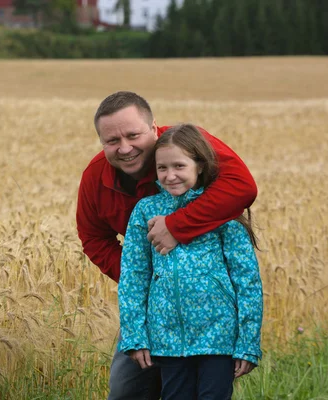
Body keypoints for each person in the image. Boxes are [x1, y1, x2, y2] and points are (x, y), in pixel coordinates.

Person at [76, 91, 258, 399]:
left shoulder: (186, 145)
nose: (124, 148)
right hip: (154, 310)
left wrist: (176, 226)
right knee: (126, 390)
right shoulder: (96, 178)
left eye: (133, 135)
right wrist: (150, 281)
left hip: (213, 318)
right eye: (111, 141)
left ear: (153, 128)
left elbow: (242, 186)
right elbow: (94, 238)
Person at [117, 124, 263, 400]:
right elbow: (134, 277)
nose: (170, 176)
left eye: (179, 166)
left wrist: (248, 343)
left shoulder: (222, 212)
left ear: (199, 165)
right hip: (167, 338)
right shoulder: (145, 211)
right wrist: (135, 336)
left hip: (218, 338)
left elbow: (248, 282)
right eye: (162, 168)